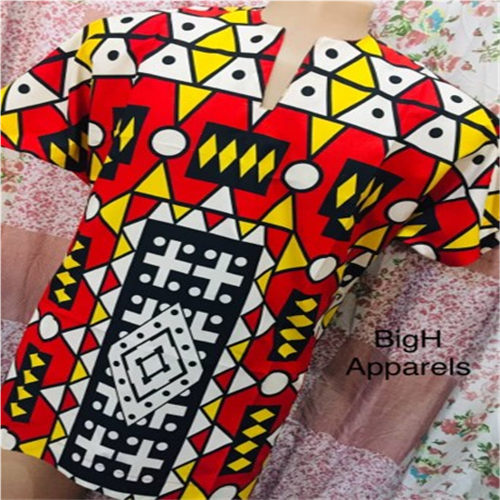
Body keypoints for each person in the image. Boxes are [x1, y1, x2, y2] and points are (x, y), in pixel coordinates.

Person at [0, 1, 498, 499]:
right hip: (69, 363)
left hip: (227, 405)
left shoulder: (448, 124)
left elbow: (457, 236)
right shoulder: (127, 43)